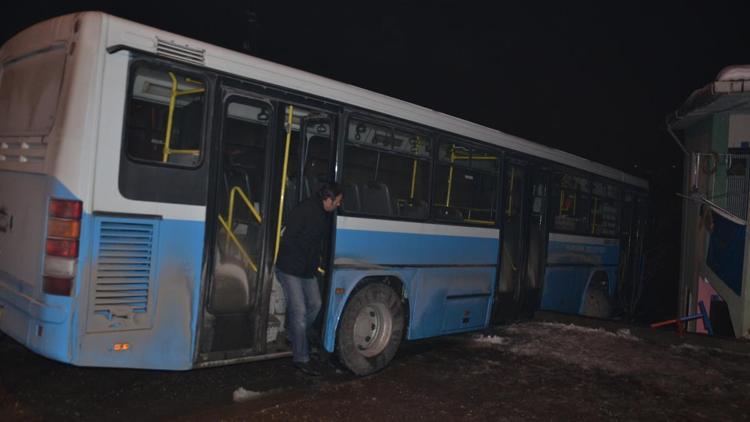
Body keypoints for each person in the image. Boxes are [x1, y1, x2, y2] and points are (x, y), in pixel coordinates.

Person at [276, 182, 343, 376]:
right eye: (337, 202)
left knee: (316, 305)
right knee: (300, 311)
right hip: (290, 268)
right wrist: (305, 257)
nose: (338, 205)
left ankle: (292, 334)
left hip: (307, 270)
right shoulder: (304, 210)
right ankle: (301, 358)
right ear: (328, 199)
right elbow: (288, 238)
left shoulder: (324, 213)